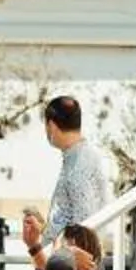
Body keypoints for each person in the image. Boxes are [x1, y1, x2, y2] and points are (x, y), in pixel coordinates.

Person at [41, 96, 112, 251]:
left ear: (51, 126)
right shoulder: (82, 156)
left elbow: (84, 225)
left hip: (72, 268)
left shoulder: (78, 167)